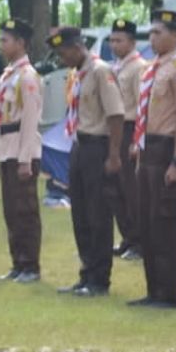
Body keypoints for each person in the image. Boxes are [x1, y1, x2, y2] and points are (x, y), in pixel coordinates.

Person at [129, 9, 176, 309]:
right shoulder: (152, 69)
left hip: (167, 148)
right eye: (151, 32)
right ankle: (153, 289)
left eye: (158, 33)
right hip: (148, 149)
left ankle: (169, 293)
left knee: (166, 223)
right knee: (147, 221)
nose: (152, 38)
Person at [52, 28, 124, 296]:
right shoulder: (78, 74)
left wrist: (114, 154)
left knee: (98, 214)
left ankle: (99, 279)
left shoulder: (100, 71)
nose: (62, 60)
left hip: (98, 146)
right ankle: (86, 273)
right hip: (79, 144)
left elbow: (116, 114)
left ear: (77, 47)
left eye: (64, 54)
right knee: (80, 213)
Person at [0, 18, 43, 283]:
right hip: (8, 148)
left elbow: (30, 119)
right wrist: (0, 154)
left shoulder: (27, 76)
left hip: (23, 150)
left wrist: (25, 159)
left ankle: (30, 265)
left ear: (21, 43)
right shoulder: (8, 74)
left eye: (5, 40)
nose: (1, 45)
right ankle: (17, 262)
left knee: (25, 211)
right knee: (11, 211)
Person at [110, 19, 146, 260]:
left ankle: (139, 241)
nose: (114, 45)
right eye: (112, 40)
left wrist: (136, 140)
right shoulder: (116, 67)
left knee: (131, 189)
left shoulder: (138, 67)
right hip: (115, 129)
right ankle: (127, 237)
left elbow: (142, 106)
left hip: (130, 128)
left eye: (119, 40)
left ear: (132, 42)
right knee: (116, 188)